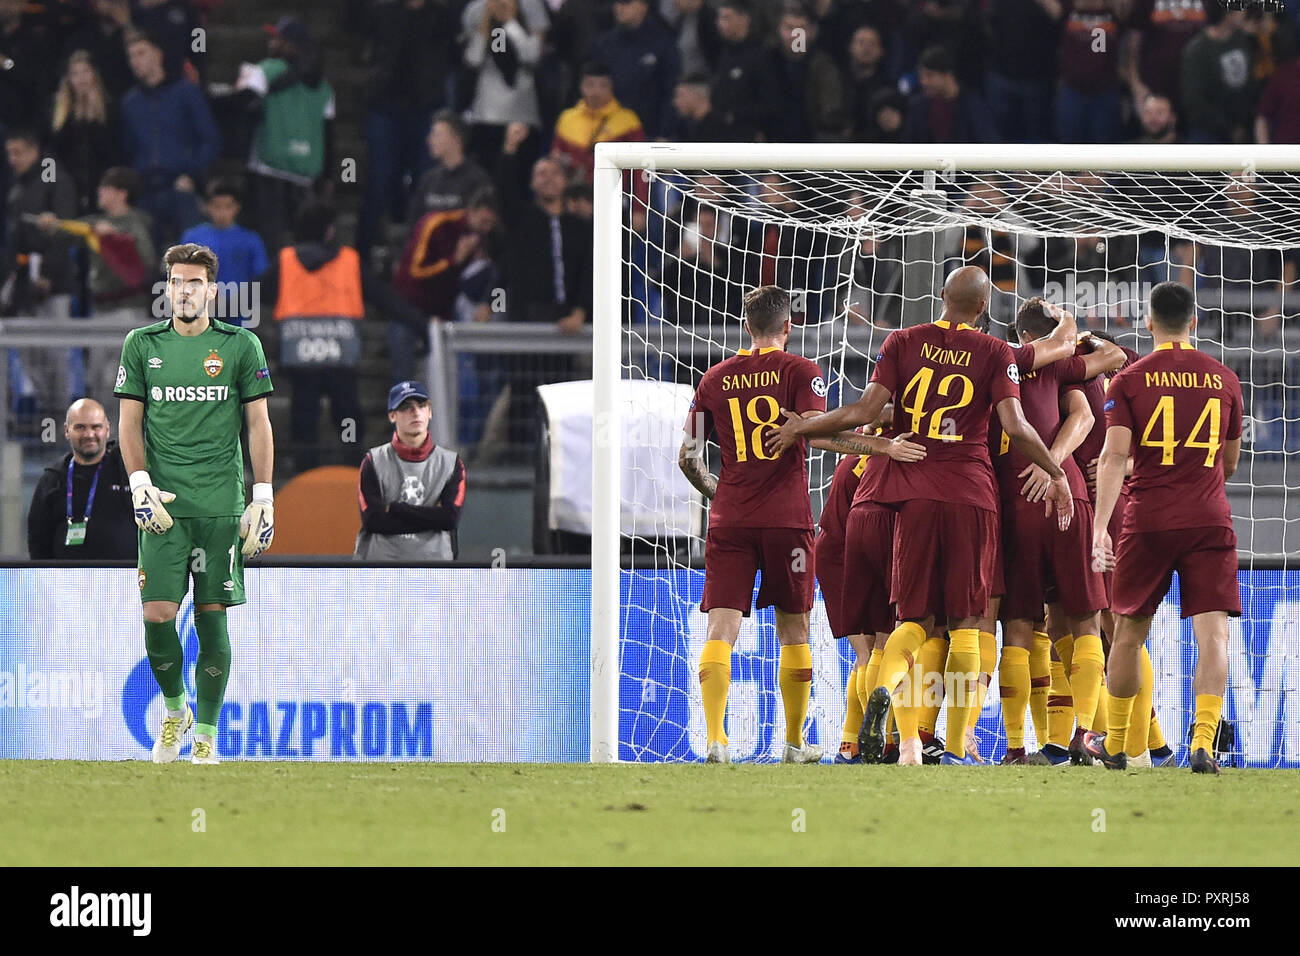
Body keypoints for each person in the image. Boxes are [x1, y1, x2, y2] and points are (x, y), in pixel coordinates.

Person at [768, 266, 1073, 765]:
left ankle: (892, 707)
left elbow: (863, 409)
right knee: (969, 621)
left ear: (940, 298)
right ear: (981, 309)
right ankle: (953, 747)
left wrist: (805, 428)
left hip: (908, 494)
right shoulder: (995, 351)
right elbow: (1015, 426)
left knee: (913, 619)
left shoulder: (901, 342)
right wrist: (1055, 474)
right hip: (970, 493)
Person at [678, 285, 918, 764]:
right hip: (787, 521)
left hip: (730, 520)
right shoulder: (800, 371)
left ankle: (716, 741)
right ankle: (793, 743)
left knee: (720, 627)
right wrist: (883, 446)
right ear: (788, 325)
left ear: (747, 327)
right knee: (795, 629)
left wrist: (719, 492)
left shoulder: (713, 378)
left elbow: (686, 457)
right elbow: (826, 437)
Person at [112, 242, 276, 766]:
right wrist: (138, 482)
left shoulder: (240, 345)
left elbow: (258, 424)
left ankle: (205, 733)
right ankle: (174, 709)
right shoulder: (141, 344)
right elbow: (129, 422)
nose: (185, 291)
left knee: (212, 618)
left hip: (219, 505)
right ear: (167, 288)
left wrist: (263, 495)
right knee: (157, 615)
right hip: (161, 506)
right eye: (176, 282)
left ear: (212, 288)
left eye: (195, 282)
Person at [1087, 282, 1245, 774]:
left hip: (1148, 520)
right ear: (1193, 323)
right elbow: (1231, 463)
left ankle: (1115, 744)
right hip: (1207, 517)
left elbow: (1114, 457)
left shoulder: (1129, 381)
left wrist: (1099, 530)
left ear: (1149, 323)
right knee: (1213, 637)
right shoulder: (1224, 379)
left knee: (1130, 633)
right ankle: (1202, 742)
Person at [991, 299, 1124, 764]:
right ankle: (1089, 735)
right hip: (1071, 499)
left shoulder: (994, 363)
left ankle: (1014, 747)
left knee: (1021, 626)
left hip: (1013, 501)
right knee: (1089, 621)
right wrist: (1056, 467)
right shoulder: (1060, 369)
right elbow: (1096, 392)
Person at [257, 201, 426, 470]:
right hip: (341, 354)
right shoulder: (349, 261)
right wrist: (421, 325)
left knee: (304, 414)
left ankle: (304, 471)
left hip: (300, 355)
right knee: (347, 412)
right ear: (329, 231)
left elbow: (255, 294)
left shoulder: (285, 261)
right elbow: (386, 299)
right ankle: (353, 468)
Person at [237, 17, 335, 250]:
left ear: (293, 45)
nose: (272, 43)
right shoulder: (325, 87)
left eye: (278, 39)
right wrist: (328, 174)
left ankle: (267, 285)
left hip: (268, 169)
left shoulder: (266, 69)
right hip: (305, 173)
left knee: (266, 239)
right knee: (304, 242)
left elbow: (241, 102)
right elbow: (329, 134)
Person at [120, 29, 217, 247]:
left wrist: (192, 175)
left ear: (158, 54)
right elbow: (128, 148)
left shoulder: (186, 93)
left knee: (188, 256)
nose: (135, 61)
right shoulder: (130, 102)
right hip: (145, 190)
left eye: (141, 53)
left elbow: (210, 139)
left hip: (180, 186)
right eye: (131, 56)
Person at [355, 380, 467, 560]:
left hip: (435, 568)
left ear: (430, 412)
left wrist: (399, 510)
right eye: (406, 407)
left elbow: (449, 519)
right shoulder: (373, 461)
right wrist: (432, 518)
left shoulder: (451, 463)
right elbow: (373, 521)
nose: (415, 412)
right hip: (382, 567)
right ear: (392, 416)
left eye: (421, 406)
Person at [27, 397, 136, 560]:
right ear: (66, 430)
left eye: (96, 427)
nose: (89, 434)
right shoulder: (52, 480)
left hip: (123, 579)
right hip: (66, 582)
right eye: (80, 427)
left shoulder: (127, 468)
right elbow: (37, 540)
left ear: (107, 429)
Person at [179, 181, 269, 326]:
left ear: (237, 208)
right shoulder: (192, 238)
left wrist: (237, 301)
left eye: (228, 207)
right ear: (208, 207)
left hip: (240, 315)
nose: (222, 212)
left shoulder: (250, 240)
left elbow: (262, 278)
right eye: (216, 206)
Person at [593, 0, 680, 139]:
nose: (619, 7)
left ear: (643, 6)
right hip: (611, 133)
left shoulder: (663, 42)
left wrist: (665, 131)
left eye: (626, 2)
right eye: (617, 2)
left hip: (649, 132)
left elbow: (670, 90)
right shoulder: (606, 44)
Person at [50, 50, 121, 217]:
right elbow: (54, 153)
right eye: (75, 74)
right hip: (69, 192)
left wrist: (94, 118)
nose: (81, 78)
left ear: (94, 75)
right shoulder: (60, 115)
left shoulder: (111, 109)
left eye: (85, 72)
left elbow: (113, 152)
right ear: (68, 79)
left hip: (104, 192)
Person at [552, 61, 646, 184]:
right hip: (574, 193)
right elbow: (555, 156)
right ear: (581, 86)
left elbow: (639, 167)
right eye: (590, 85)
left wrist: (637, 202)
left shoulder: (628, 121)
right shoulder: (567, 118)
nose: (596, 92)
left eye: (603, 86)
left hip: (614, 191)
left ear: (611, 87)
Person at [406, 111, 493, 226]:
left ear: (456, 139)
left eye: (437, 134)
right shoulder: (428, 180)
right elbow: (414, 227)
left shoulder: (477, 180)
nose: (429, 140)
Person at [902, 46, 997, 144]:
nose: (923, 81)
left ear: (948, 75)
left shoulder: (974, 106)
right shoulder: (918, 106)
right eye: (921, 76)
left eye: (930, 75)